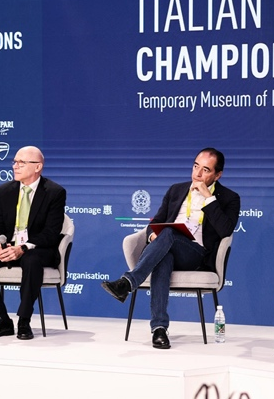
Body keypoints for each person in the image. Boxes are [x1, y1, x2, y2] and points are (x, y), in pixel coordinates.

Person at [102, 148, 240, 349]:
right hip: (166, 247)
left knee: (168, 233)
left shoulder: (229, 198)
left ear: (217, 175)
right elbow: (155, 222)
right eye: (195, 166)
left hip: (196, 254)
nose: (197, 173)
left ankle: (128, 282)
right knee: (163, 255)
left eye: (205, 170)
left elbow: (225, 230)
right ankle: (159, 329)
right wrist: (152, 235)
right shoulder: (176, 190)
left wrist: (208, 197)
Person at [0, 146, 66, 340]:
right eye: (15, 162)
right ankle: (2, 319)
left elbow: (51, 233)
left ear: (37, 167)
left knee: (31, 260)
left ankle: (24, 320)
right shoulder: (5, 191)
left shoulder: (54, 192)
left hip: (37, 249)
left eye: (21, 162)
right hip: (9, 246)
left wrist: (22, 248)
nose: (15, 166)